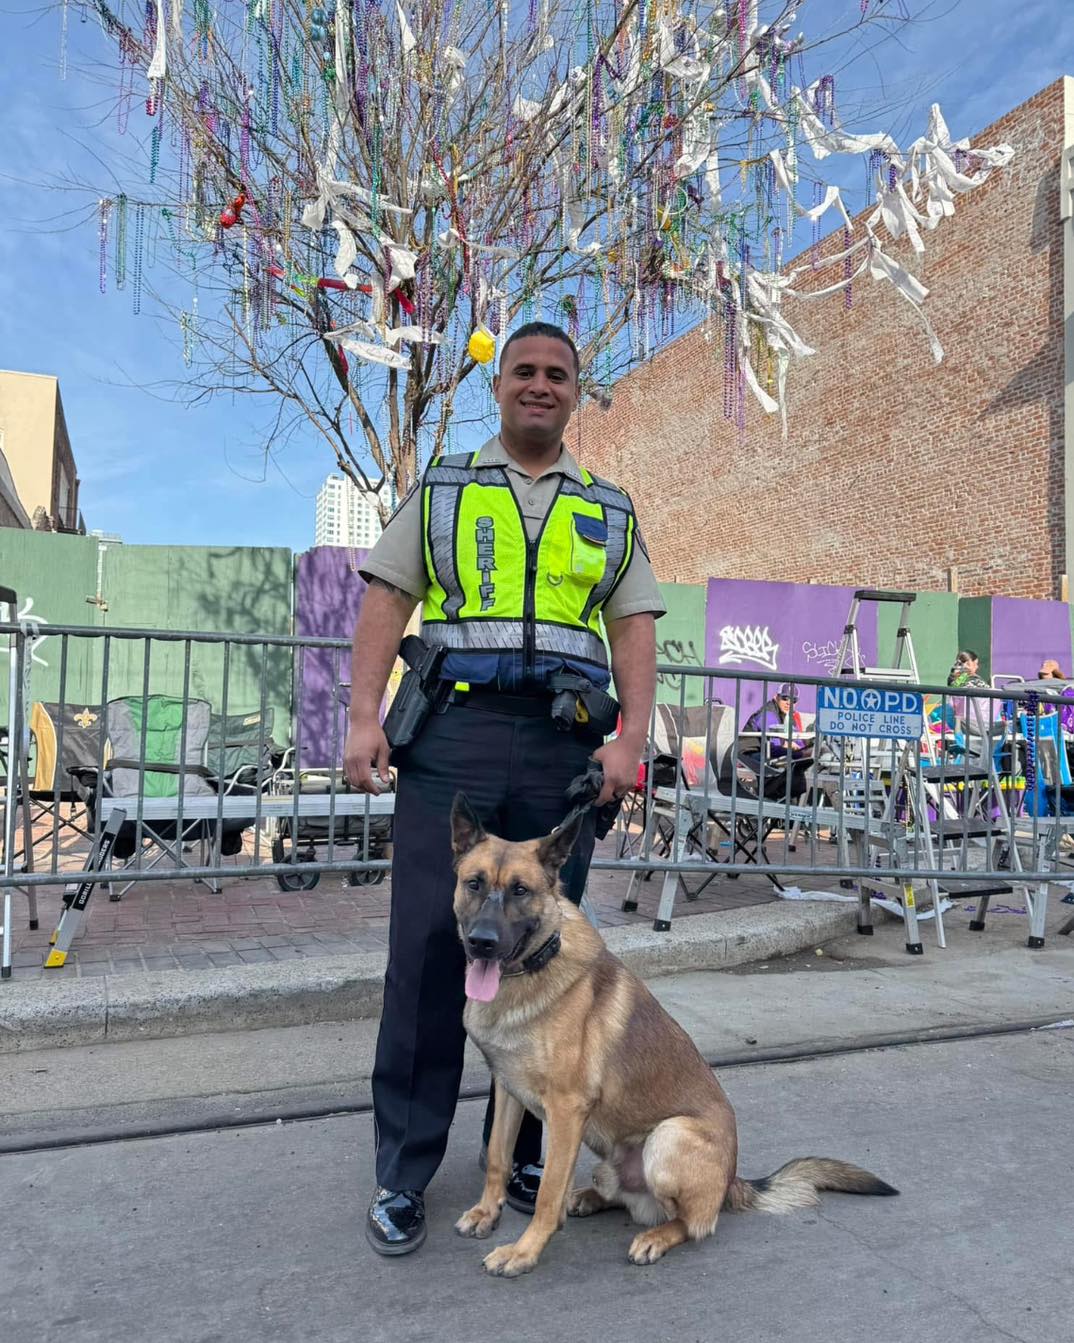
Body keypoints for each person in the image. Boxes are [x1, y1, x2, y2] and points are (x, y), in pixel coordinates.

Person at [343, 321, 665, 1257]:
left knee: (538, 957)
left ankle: (523, 1151)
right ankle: (403, 1171)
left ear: (575, 391)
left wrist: (631, 739)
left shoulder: (608, 506)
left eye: (556, 374)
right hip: (455, 741)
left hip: (565, 744)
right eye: (523, 370)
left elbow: (635, 619)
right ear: (499, 384)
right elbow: (386, 595)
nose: (538, 385)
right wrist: (365, 714)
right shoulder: (446, 486)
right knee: (430, 955)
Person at [739, 683, 811, 800]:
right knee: (784, 762)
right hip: (748, 755)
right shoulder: (768, 713)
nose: (789, 703)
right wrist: (800, 752)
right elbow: (774, 748)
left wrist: (804, 750)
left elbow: (799, 743)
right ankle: (772, 802)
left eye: (793, 700)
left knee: (801, 762)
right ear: (775, 697)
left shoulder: (788, 716)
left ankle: (790, 806)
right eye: (785, 698)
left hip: (765, 753)